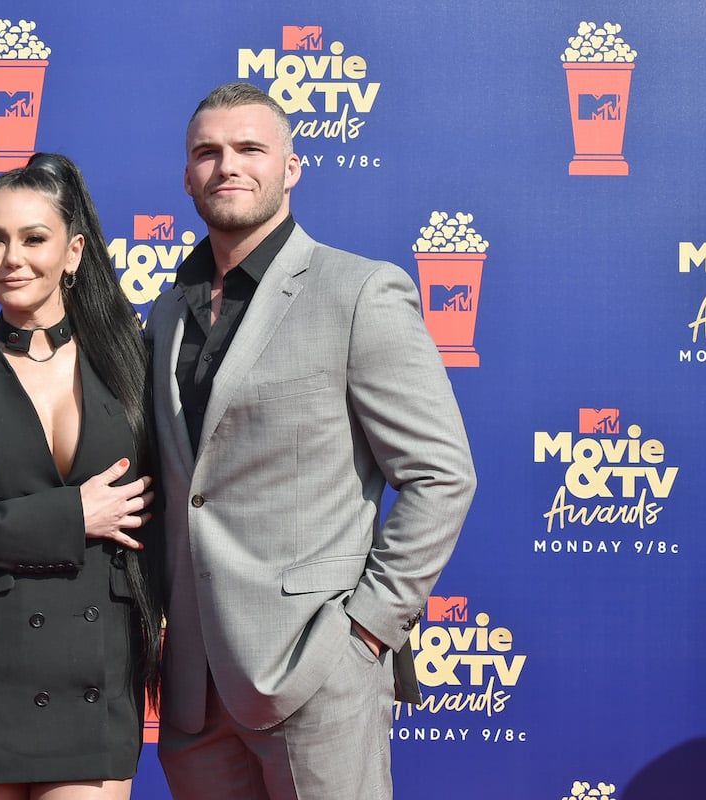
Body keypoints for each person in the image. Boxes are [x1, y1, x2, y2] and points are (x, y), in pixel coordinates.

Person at [146, 82, 477, 799]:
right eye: (208, 152)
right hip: (193, 690)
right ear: (187, 177)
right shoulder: (165, 314)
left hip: (315, 671)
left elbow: (442, 476)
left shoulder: (358, 292)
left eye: (250, 148)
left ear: (291, 168)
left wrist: (366, 631)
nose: (228, 166)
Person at [0, 153, 161, 800]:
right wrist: (73, 516)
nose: (12, 258)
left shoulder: (136, 362)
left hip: (98, 667)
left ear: (73, 252)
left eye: (33, 238)